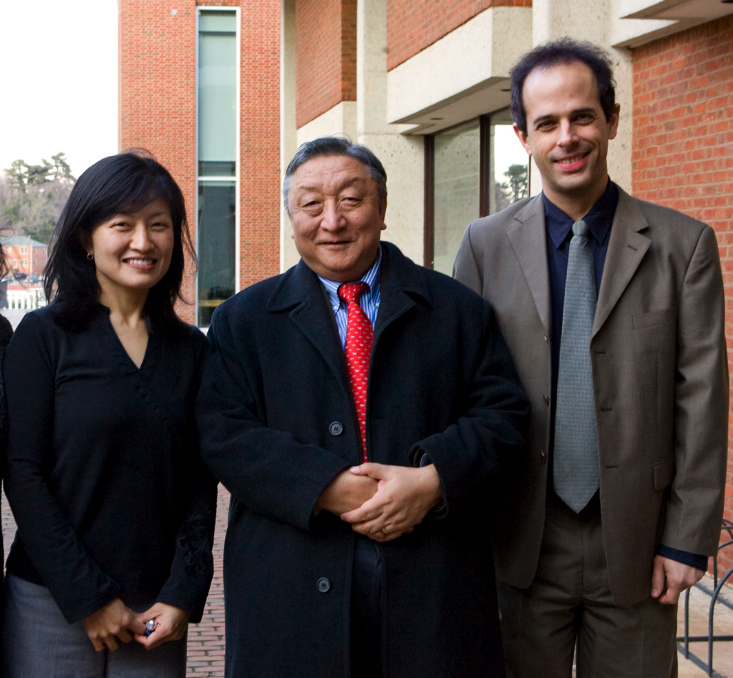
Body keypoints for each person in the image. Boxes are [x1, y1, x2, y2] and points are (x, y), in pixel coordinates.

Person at [197, 136, 530, 678]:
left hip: (431, 579)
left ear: (381, 206)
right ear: (291, 214)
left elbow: (504, 417)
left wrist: (433, 479)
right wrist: (327, 486)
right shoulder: (244, 320)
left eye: (351, 199)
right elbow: (224, 433)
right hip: (292, 584)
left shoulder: (456, 310)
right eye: (311, 204)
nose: (332, 220)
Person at [454, 38, 728, 678]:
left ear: (611, 119)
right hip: (517, 540)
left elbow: (702, 400)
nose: (566, 137)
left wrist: (688, 538)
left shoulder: (683, 246)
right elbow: (458, 387)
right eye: (546, 123)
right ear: (523, 136)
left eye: (581, 116)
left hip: (635, 544)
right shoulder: (485, 245)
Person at [2, 152, 217, 677]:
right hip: (50, 600)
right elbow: (21, 472)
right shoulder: (43, 337)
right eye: (122, 225)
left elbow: (199, 480)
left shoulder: (192, 350)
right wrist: (88, 596)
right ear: (85, 237)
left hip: (154, 610)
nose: (143, 242)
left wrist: (184, 592)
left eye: (159, 226)